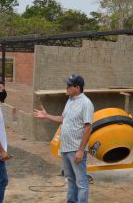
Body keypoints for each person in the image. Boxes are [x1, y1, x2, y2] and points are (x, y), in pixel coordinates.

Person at [33, 74, 94, 203]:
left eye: (69, 85)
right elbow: (63, 119)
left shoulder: (86, 103)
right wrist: (46, 115)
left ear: (77, 88)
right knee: (70, 180)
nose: (66, 87)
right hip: (65, 148)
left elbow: (88, 128)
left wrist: (81, 150)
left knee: (81, 182)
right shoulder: (70, 100)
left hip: (76, 150)